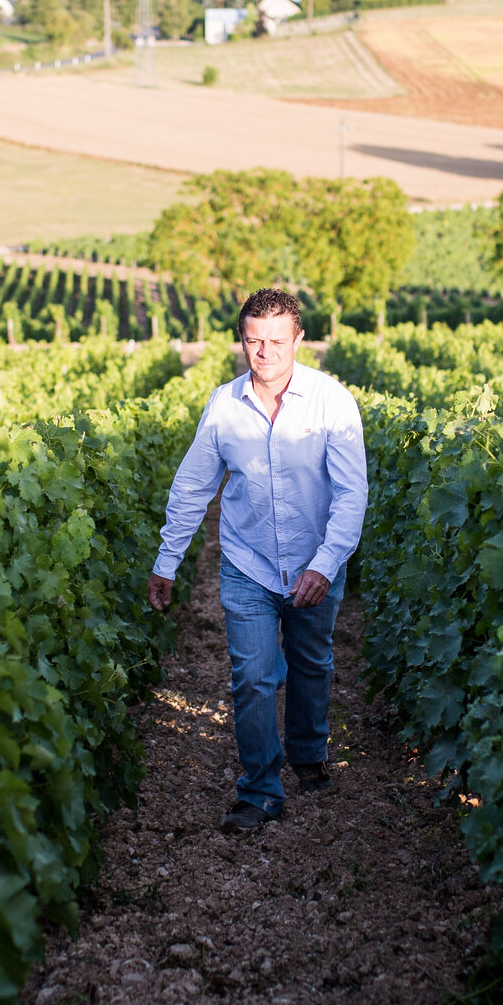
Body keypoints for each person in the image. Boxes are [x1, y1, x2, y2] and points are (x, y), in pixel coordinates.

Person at [147, 288, 368, 833]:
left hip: (317, 561)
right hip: (247, 563)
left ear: (298, 340)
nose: (263, 351)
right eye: (253, 340)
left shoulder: (332, 402)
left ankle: (309, 753)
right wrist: (167, 560)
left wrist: (327, 562)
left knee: (312, 663)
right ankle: (261, 790)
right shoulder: (224, 406)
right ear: (241, 342)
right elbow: (193, 486)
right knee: (252, 676)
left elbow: (351, 494)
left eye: (275, 340)